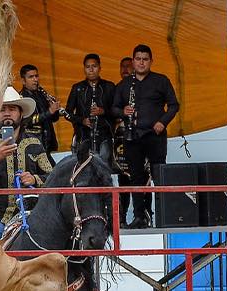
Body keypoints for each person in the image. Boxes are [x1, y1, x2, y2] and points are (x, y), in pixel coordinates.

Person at [112, 44, 179, 229]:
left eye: (145, 59)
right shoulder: (125, 85)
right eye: (138, 59)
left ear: (151, 61)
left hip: (155, 135)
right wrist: (123, 111)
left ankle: (164, 216)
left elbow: (174, 105)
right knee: (135, 177)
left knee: (159, 175)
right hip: (132, 135)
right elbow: (114, 108)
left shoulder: (161, 81)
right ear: (133, 61)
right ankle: (139, 217)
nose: (141, 62)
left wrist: (162, 122)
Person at [0, 88, 46, 239]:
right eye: (2, 109)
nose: (7, 113)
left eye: (12, 109)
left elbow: (52, 176)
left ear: (21, 113)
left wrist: (34, 179)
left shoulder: (34, 142)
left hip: (31, 214)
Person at [65, 54, 116, 163]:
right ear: (84, 69)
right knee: (84, 168)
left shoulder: (109, 86)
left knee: (104, 167)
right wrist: (82, 120)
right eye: (88, 67)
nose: (91, 70)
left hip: (104, 136)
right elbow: (67, 113)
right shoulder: (77, 88)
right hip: (83, 135)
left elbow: (117, 111)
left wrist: (103, 111)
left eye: (94, 66)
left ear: (100, 68)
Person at [18, 64, 61, 155]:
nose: (35, 80)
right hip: (35, 144)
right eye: (31, 77)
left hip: (49, 142)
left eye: (36, 76)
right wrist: (49, 111)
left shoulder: (42, 94)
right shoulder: (21, 99)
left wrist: (55, 109)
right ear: (23, 81)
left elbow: (54, 119)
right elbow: (27, 121)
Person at [114, 57, 135, 224]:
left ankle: (143, 215)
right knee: (124, 179)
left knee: (142, 180)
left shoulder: (141, 87)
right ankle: (121, 218)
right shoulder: (118, 88)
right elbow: (111, 110)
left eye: (128, 66)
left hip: (140, 137)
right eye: (123, 67)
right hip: (121, 140)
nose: (125, 70)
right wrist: (122, 112)